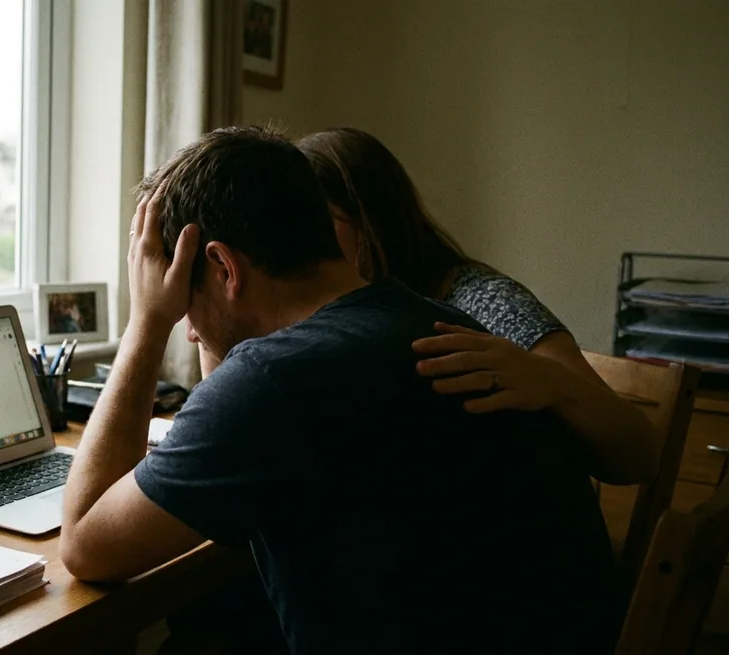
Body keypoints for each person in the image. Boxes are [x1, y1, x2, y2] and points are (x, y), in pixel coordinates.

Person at [60, 126, 621, 653]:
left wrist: (146, 323)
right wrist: (210, 318)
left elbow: (85, 546)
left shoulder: (276, 380)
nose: (185, 322)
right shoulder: (435, 321)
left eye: (183, 295)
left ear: (223, 267)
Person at [282, 127, 660, 487]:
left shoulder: (485, 303)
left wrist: (552, 381)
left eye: (320, 224)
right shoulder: (332, 316)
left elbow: (640, 453)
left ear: (373, 220)